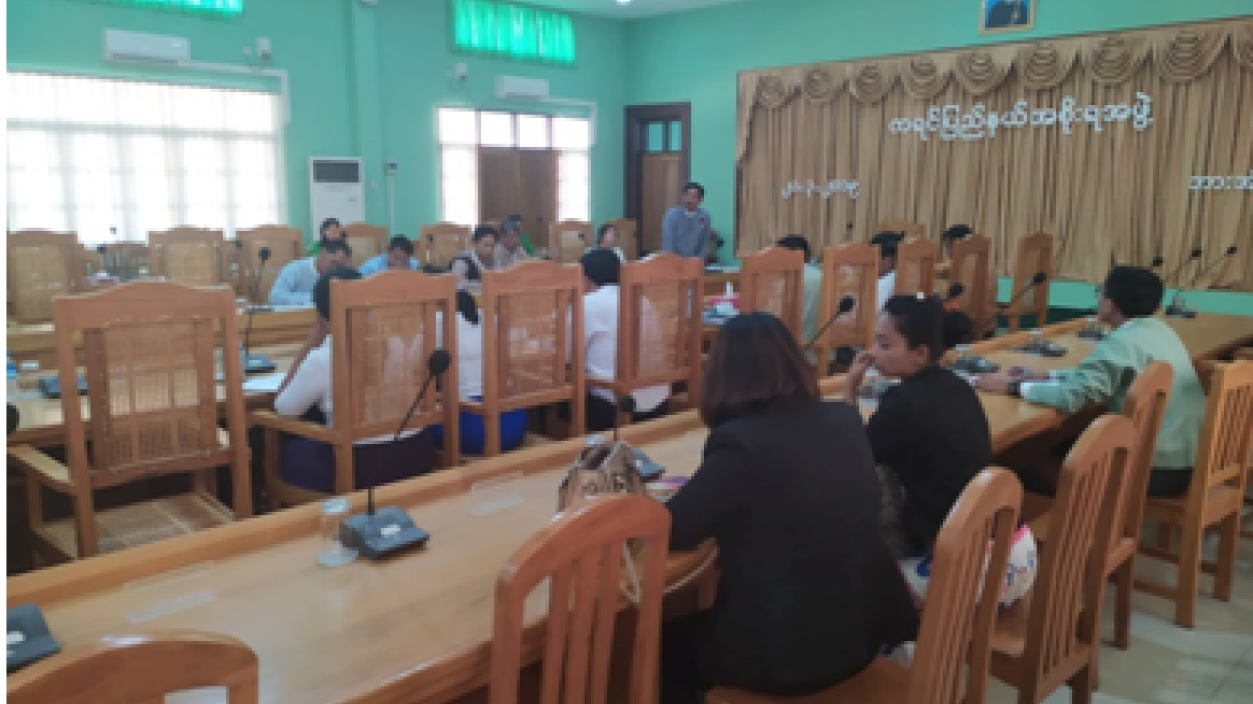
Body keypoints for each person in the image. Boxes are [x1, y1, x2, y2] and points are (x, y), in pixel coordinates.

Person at [661, 312, 918, 703]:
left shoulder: (739, 443)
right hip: (859, 637)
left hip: (787, 661)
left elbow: (675, 530)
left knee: (655, 645)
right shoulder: (844, 419)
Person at [974, 266, 1206, 497]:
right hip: (1184, 457)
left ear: (1110, 304)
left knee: (1019, 468)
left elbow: (1072, 397)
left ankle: (1071, 517)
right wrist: (1049, 375)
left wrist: (1011, 386)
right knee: (1060, 445)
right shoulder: (1161, 330)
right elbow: (1111, 375)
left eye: (1101, 293)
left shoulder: (1122, 343)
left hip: (1151, 469)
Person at [844, 294, 992, 558]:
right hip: (988, 536)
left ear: (920, 354)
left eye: (884, 345)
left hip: (948, 554)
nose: (873, 353)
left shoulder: (903, 403)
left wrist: (849, 389)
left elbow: (855, 456)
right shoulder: (958, 385)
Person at [272, 267, 438, 493]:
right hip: (417, 452)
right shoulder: (399, 343)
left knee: (290, 444)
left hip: (363, 466)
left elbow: (284, 409)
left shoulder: (324, 357)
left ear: (322, 318)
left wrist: (311, 342)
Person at [565, 249, 670, 430]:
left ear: (586, 280)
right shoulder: (642, 299)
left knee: (549, 403)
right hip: (659, 403)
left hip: (616, 407)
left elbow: (565, 357)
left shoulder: (586, 304)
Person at [428, 291, 529, 455]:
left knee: (424, 424)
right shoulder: (490, 318)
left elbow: (420, 360)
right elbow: (522, 336)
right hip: (513, 422)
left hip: (473, 428)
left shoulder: (441, 321)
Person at [268, 239, 351, 306]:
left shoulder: (338, 275)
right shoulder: (296, 268)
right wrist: (313, 298)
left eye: (339, 266)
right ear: (323, 252)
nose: (334, 269)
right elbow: (275, 297)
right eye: (333, 262)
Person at [775, 235, 821, 346]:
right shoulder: (826, 276)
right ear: (808, 255)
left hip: (789, 346)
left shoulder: (784, 278)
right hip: (824, 348)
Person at [662, 182, 712, 259]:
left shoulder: (705, 217)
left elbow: (704, 242)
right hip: (674, 259)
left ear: (700, 200)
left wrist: (699, 260)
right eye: (686, 195)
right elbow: (669, 242)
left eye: (693, 197)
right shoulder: (672, 215)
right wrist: (673, 261)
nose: (688, 200)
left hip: (694, 260)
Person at [871, 231, 903, 312]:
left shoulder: (882, 284)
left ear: (888, 259)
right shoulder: (914, 278)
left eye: (873, 259)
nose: (871, 265)